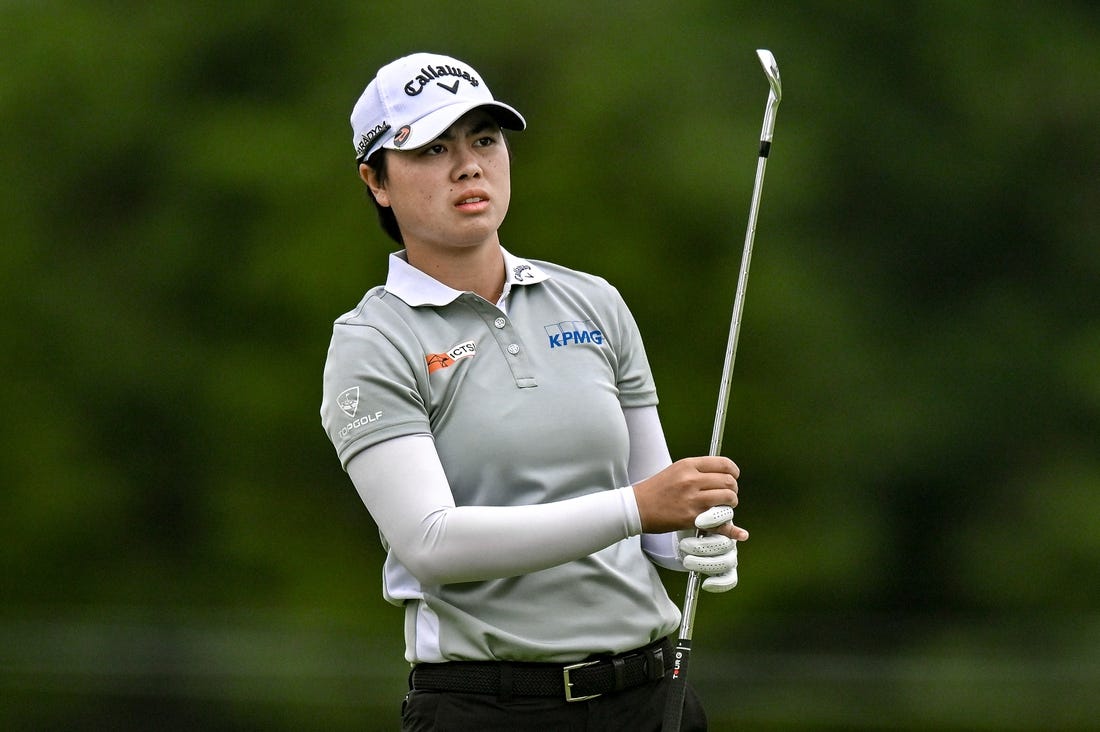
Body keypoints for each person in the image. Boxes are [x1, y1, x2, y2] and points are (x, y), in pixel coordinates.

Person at [320, 52, 748, 732]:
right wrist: (639, 509)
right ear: (376, 180)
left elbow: (650, 516)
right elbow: (431, 544)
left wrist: (694, 538)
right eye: (432, 149)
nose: (468, 166)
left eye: (484, 141)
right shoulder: (373, 340)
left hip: (651, 697)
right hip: (488, 707)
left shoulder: (593, 302)